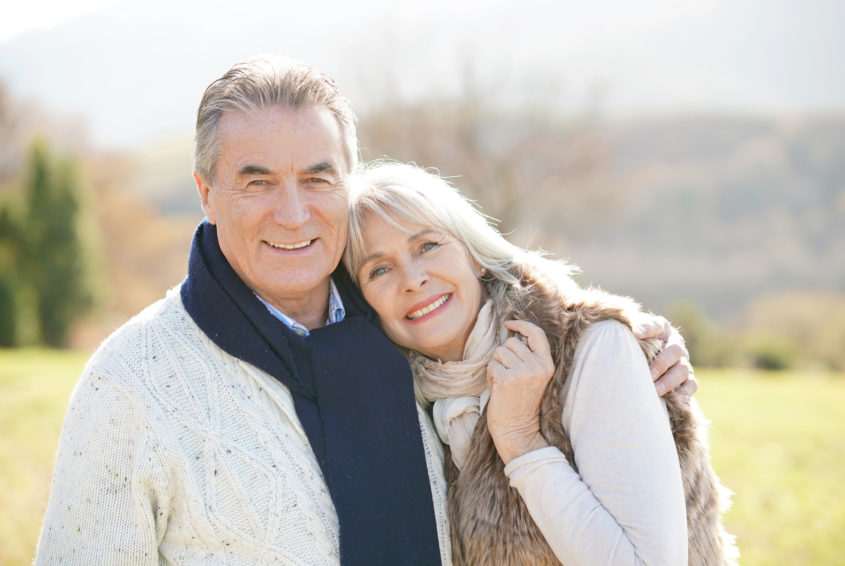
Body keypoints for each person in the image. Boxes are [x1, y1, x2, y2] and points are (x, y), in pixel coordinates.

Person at [35, 56, 695, 565]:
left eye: (317, 179)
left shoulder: (407, 342)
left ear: (346, 184)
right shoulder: (131, 383)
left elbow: (501, 298)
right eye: (257, 181)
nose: (292, 215)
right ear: (206, 194)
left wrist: (612, 334)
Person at [344, 161, 738, 565]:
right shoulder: (400, 408)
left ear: (475, 255)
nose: (412, 279)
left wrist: (521, 442)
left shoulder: (592, 347)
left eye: (428, 246)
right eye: (379, 270)